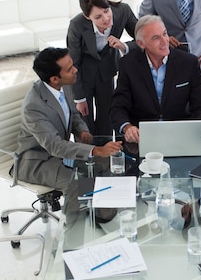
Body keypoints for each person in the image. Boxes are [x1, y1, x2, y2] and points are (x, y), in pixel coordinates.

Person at [16, 47, 122, 193]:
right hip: (39, 161)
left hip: (63, 154)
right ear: (54, 79)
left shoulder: (62, 85)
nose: (75, 70)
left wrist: (82, 130)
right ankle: (88, 213)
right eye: (69, 68)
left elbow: (73, 113)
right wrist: (96, 150)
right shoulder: (33, 107)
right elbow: (55, 146)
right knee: (83, 189)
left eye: (72, 64)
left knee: (106, 171)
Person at [110, 15, 201, 144]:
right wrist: (127, 128)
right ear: (141, 43)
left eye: (165, 34)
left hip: (180, 136)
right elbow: (118, 107)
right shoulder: (128, 64)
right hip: (142, 138)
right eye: (156, 38)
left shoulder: (188, 63)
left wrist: (200, 131)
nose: (165, 41)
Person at [67, 0, 138, 135]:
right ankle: (88, 154)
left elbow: (143, 37)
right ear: (88, 17)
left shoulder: (122, 11)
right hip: (83, 72)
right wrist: (79, 98)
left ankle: (105, 154)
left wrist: (124, 46)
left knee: (107, 116)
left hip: (107, 70)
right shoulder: (77, 25)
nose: (105, 18)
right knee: (84, 120)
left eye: (106, 10)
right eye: (98, 17)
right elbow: (73, 62)